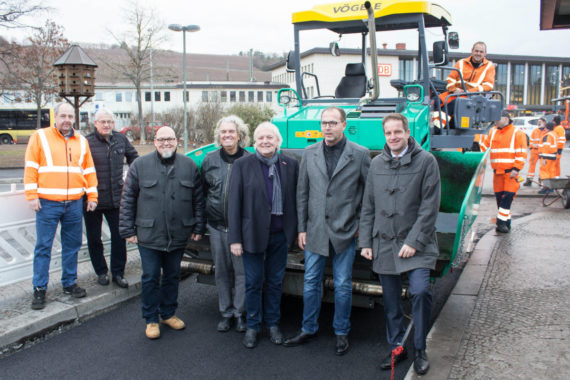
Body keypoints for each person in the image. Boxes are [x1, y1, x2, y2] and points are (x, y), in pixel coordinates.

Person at [283, 106, 370, 356]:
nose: (328, 127)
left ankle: (341, 332)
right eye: (324, 123)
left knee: (343, 284)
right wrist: (302, 228)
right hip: (316, 231)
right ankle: (308, 328)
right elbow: (303, 194)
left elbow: (368, 196)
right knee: (310, 282)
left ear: (344, 125)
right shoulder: (309, 153)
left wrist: (360, 228)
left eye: (333, 122)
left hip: (346, 231)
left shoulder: (361, 154)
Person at [359, 113, 440, 375]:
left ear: (407, 132)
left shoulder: (427, 161)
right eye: (388, 133)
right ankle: (397, 346)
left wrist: (414, 241)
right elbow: (368, 206)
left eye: (397, 132)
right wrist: (366, 242)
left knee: (419, 292)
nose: (393, 137)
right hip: (383, 243)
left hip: (418, 243)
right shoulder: (376, 164)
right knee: (391, 302)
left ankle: (420, 349)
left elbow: (430, 207)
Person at [119, 127, 205, 340]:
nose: (166, 143)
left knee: (173, 276)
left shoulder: (188, 165)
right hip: (149, 234)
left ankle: (168, 313)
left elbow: (198, 200)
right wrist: (127, 229)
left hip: (178, 233)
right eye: (161, 139)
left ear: (176, 141)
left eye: (170, 139)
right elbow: (128, 198)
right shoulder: (140, 165)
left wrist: (198, 227)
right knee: (150, 277)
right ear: (154, 141)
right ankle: (151, 319)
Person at [227, 122, 298, 349]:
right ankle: (253, 326)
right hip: (251, 235)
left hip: (279, 235)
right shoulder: (242, 165)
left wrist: (295, 233)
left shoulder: (290, 164)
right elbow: (234, 204)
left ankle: (273, 324)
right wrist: (235, 239)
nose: (265, 141)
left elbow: (296, 201)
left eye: (270, 137)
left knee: (276, 282)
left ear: (278, 141)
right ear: (254, 142)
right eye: (261, 138)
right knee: (253, 282)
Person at [24, 102, 98, 310]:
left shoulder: (81, 141)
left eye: (70, 117)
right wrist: (31, 195)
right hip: (47, 203)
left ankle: (69, 283)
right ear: (55, 117)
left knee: (72, 245)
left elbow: (89, 171)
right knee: (44, 247)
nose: (67, 120)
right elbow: (31, 167)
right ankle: (39, 289)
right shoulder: (40, 137)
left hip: (74, 202)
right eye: (63, 116)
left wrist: (92, 196)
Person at [202, 115, 250, 333]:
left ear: (239, 135)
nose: (227, 135)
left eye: (231, 131)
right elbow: (201, 193)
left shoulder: (250, 160)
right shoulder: (209, 160)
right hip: (216, 226)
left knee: (241, 273)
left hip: (240, 229)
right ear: (218, 136)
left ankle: (240, 313)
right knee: (221, 271)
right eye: (223, 132)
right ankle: (226, 312)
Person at [84, 109, 138, 288]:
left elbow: (134, 158)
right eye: (103, 121)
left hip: (116, 198)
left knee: (119, 236)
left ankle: (118, 272)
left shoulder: (120, 139)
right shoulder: (87, 142)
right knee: (94, 238)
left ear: (113, 124)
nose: (106, 125)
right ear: (96, 123)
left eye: (109, 121)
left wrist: (133, 177)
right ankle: (101, 271)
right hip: (93, 199)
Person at [481, 111, 527, 233]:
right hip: (497, 173)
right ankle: (507, 222)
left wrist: (516, 168)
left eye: (497, 119)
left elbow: (521, 153)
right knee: (500, 199)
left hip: (511, 173)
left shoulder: (517, 133)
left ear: (506, 119)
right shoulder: (493, 131)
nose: (495, 122)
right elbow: (485, 146)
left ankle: (501, 223)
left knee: (507, 198)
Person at [436, 42, 495, 128]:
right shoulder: (461, 63)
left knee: (453, 104)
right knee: (435, 101)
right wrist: (454, 89)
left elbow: (488, 85)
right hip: (455, 93)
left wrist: (469, 91)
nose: (478, 53)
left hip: (472, 97)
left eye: (481, 52)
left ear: (485, 53)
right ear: (472, 51)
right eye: (476, 51)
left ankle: (437, 127)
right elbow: (450, 79)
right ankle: (429, 126)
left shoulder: (489, 66)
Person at [523, 118, 547, 186]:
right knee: (531, 166)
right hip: (534, 150)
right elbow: (531, 140)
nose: (538, 123)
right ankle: (529, 180)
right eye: (538, 122)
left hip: (543, 151)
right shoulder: (535, 131)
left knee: (542, 166)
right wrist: (531, 147)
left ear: (544, 123)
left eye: (540, 122)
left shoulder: (546, 131)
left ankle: (541, 180)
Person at [538, 122, 558, 194]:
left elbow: (546, 147)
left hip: (547, 157)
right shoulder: (554, 134)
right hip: (552, 157)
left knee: (544, 172)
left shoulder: (548, 136)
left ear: (547, 128)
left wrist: (543, 158)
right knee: (551, 172)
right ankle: (550, 188)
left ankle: (545, 187)